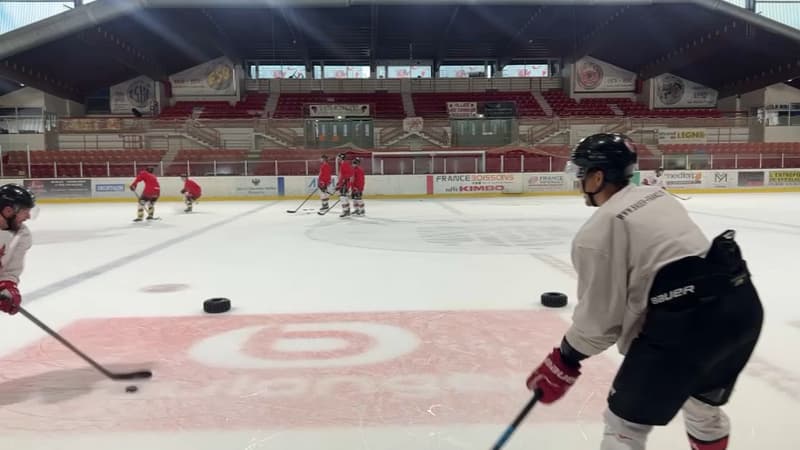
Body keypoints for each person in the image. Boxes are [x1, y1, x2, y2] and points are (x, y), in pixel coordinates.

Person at [525, 133, 763, 450]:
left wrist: (565, 360)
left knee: (624, 427)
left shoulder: (598, 231)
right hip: (740, 307)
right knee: (701, 405)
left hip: (686, 327)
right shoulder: (657, 196)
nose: (578, 181)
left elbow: (600, 322)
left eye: (581, 173)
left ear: (597, 176)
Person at [0, 184, 36, 316]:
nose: (28, 216)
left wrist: (8, 287)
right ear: (9, 211)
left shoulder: (22, 234)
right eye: (25, 211)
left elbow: (10, 271)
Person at [335, 153, 353, 218]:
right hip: (344, 183)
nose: (338, 159)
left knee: (343, 197)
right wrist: (338, 183)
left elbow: (350, 174)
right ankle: (347, 210)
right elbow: (342, 176)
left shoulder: (344, 164)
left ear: (341, 158)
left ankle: (345, 211)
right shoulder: (344, 164)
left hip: (345, 184)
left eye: (338, 158)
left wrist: (344, 181)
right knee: (344, 197)